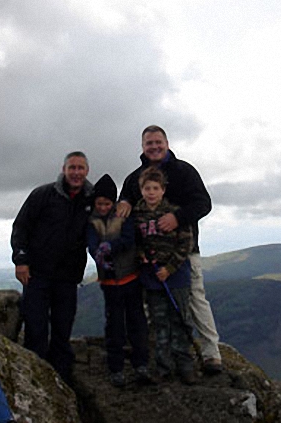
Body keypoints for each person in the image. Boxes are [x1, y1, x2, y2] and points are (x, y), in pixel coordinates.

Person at [117, 125, 223, 374]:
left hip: (185, 251)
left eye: (158, 142)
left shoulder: (184, 171)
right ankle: (158, 353)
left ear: (166, 143)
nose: (154, 147)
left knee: (195, 301)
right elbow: (127, 198)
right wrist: (123, 201)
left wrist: (178, 217)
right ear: (142, 147)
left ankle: (211, 355)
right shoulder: (135, 178)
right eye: (149, 143)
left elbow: (203, 203)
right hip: (149, 258)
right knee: (154, 308)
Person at [11, 151, 93, 384]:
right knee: (36, 331)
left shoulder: (90, 199)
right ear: (64, 169)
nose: (76, 172)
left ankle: (62, 384)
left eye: (81, 168)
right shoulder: (43, 195)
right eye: (72, 168)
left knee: (62, 332)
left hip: (68, 278)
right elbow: (21, 227)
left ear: (87, 171)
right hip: (37, 274)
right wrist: (21, 260)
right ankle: (35, 383)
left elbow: (103, 227)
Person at [86, 174, 151, 387]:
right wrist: (97, 253)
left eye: (106, 203)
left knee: (136, 322)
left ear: (113, 202)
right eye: (99, 203)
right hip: (109, 283)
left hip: (130, 278)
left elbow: (128, 239)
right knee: (114, 325)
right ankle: (116, 368)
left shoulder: (124, 217)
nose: (103, 207)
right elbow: (91, 243)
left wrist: (110, 248)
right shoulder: (92, 221)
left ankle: (141, 364)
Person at [132, 166, 196, 384]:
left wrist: (169, 268)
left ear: (162, 190)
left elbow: (187, 243)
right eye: (147, 188)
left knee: (180, 320)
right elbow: (135, 241)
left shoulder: (174, 212)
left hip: (176, 277)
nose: (151, 192)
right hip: (151, 278)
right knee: (159, 323)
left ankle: (185, 365)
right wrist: (141, 255)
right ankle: (163, 367)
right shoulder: (136, 214)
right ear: (141, 189)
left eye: (155, 188)